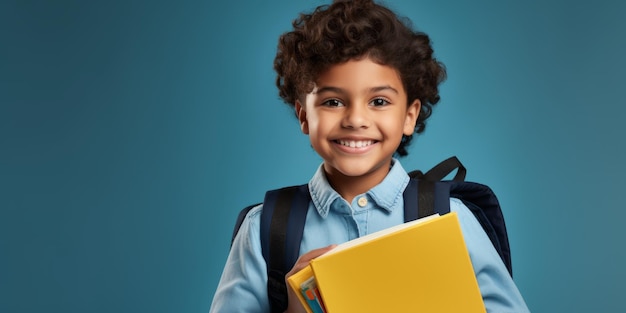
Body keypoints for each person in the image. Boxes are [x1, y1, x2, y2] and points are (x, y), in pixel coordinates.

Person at [210, 0, 530, 312]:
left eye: (378, 101)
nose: (355, 119)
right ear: (304, 115)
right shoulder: (266, 228)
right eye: (333, 102)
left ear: (409, 115)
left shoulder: (451, 219)